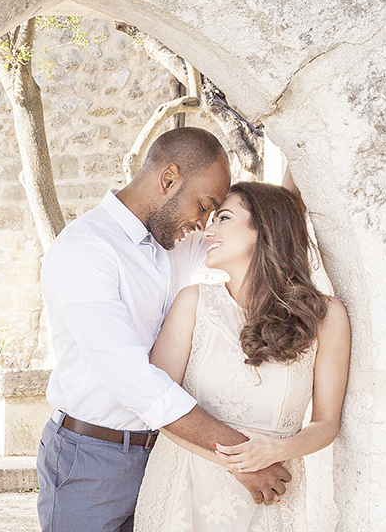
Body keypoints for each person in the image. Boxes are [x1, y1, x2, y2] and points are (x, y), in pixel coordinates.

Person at [37, 127, 293, 532]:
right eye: (205, 204)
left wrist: (300, 139)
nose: (205, 222)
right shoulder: (84, 251)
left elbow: (268, 226)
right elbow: (137, 382)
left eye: (215, 213)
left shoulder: (172, 239)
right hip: (90, 461)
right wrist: (240, 457)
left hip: (164, 459)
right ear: (169, 179)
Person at [133, 180, 350, 531]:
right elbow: (158, 404)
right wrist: (242, 464)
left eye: (224, 218)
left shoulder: (326, 316)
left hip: (271, 493)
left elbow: (326, 424)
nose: (208, 230)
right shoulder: (193, 302)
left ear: (264, 228)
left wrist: (277, 452)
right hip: (184, 485)